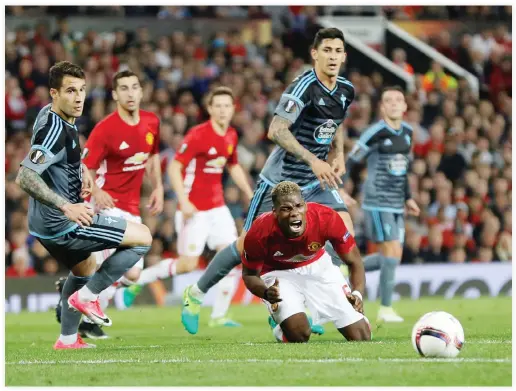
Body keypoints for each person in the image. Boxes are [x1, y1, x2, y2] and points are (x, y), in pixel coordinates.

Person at [181, 27, 357, 335]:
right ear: (314, 54)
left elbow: (335, 123)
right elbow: (276, 130)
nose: (332, 56)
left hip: (316, 183)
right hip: (280, 182)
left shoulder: (345, 89)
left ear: (344, 56)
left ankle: (303, 306)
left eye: (337, 51)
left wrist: (337, 154)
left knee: (344, 233)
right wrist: (314, 160)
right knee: (246, 246)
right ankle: (195, 294)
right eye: (326, 50)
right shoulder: (303, 87)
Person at [16, 61, 152, 349]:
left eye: (81, 90)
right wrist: (67, 205)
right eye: (70, 91)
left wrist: (83, 175)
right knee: (143, 238)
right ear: (54, 93)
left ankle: (67, 338)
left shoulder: (53, 115)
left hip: (41, 223)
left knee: (84, 269)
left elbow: (62, 162)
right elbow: (25, 176)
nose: (78, 98)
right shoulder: (54, 131)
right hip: (63, 223)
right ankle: (89, 297)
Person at [124, 86, 254, 328]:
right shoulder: (198, 134)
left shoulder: (231, 135)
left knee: (233, 256)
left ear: (233, 108)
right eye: (219, 106)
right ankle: (138, 280)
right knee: (187, 264)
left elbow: (233, 165)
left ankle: (219, 316)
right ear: (210, 109)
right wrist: (183, 201)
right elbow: (174, 167)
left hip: (218, 208)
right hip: (195, 210)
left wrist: (249, 192)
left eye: (227, 105)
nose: (224, 110)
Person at [54, 70, 163, 339]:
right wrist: (98, 190)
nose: (130, 93)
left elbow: (152, 156)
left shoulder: (151, 122)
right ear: (115, 94)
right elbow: (85, 165)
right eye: (123, 88)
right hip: (105, 206)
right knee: (115, 269)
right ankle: (79, 308)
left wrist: (158, 186)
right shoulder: (106, 128)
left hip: (131, 207)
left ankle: (72, 296)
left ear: (141, 91)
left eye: (134, 87)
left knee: (131, 274)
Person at [242, 181, 371, 342]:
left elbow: (355, 261)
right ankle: (282, 328)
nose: (294, 213)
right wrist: (267, 293)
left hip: (318, 267)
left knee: (361, 336)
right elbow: (249, 275)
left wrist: (357, 293)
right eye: (286, 209)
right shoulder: (259, 232)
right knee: (300, 335)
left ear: (305, 205)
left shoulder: (326, 218)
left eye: (298, 206)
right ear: (274, 212)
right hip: (277, 274)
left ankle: (352, 316)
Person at [341, 85, 420, 322]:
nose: (394, 103)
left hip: (397, 203)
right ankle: (385, 309)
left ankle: (348, 270)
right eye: (389, 100)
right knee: (390, 251)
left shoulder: (407, 132)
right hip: (377, 202)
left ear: (405, 106)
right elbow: (351, 161)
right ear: (382, 107)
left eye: (399, 100)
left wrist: (408, 197)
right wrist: (342, 189)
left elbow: (403, 168)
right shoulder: (375, 132)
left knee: (393, 256)